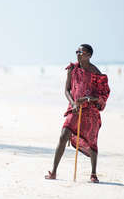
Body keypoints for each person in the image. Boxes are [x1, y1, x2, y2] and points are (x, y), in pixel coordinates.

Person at [45, 44, 110, 183]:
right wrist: (74, 103)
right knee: (63, 136)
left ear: (89, 55)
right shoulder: (72, 69)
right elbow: (66, 90)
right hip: (74, 108)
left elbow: (102, 96)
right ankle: (54, 172)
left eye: (81, 52)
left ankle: (93, 174)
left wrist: (87, 99)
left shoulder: (97, 74)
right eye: (77, 51)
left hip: (90, 112)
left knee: (92, 143)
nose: (78, 54)